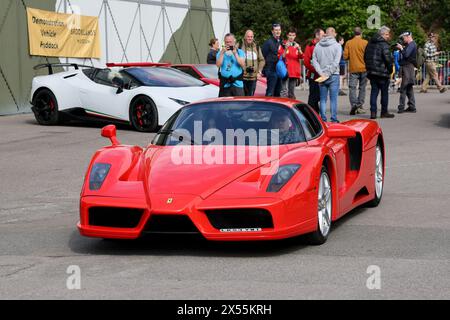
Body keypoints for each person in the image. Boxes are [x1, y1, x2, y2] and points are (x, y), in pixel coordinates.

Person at [364, 26, 395, 119]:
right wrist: (390, 70)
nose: (388, 36)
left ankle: (373, 113)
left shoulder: (370, 43)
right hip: (383, 72)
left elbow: (365, 57)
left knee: (374, 92)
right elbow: (388, 59)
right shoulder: (384, 44)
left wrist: (369, 68)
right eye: (386, 34)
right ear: (381, 34)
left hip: (372, 72)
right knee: (384, 93)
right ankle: (384, 112)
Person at [312, 27, 342, 123]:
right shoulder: (337, 46)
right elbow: (336, 62)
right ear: (333, 33)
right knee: (333, 99)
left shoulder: (317, 45)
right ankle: (333, 118)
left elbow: (314, 61)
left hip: (322, 75)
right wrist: (328, 73)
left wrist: (321, 73)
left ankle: (323, 119)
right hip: (333, 74)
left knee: (323, 99)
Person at [344, 27, 368, 115]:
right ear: (361, 33)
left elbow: (345, 56)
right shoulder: (365, 42)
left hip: (353, 68)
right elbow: (368, 55)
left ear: (353, 33)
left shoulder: (349, 43)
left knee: (352, 87)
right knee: (362, 87)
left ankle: (354, 105)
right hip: (364, 68)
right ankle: (359, 105)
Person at [304, 29, 324, 112]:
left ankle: (315, 114)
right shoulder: (310, 46)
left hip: (322, 76)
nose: (324, 37)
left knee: (319, 96)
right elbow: (306, 62)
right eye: (322, 35)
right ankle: (310, 113)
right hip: (313, 75)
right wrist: (316, 70)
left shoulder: (323, 45)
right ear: (317, 35)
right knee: (313, 96)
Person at [239, 30, 265, 96]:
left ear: (253, 37)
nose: (250, 38)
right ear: (245, 37)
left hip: (253, 77)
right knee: (241, 98)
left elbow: (262, 60)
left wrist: (259, 71)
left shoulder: (256, 47)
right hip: (242, 77)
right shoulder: (240, 46)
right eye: (248, 36)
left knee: (250, 98)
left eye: (251, 37)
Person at [397, 31, 417, 113]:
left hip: (407, 68)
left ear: (408, 36)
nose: (403, 39)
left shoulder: (412, 44)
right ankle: (412, 107)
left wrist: (401, 48)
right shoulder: (410, 45)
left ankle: (401, 108)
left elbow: (406, 55)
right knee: (409, 88)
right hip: (408, 68)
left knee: (404, 88)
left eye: (403, 37)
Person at [262, 23, 283, 97]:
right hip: (271, 70)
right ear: (272, 31)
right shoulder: (268, 43)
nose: (278, 32)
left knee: (278, 93)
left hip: (279, 70)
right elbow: (263, 55)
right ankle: (267, 107)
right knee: (270, 92)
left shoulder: (281, 42)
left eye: (279, 30)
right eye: (276, 30)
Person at [282, 28, 303, 99]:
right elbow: (282, 57)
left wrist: (299, 49)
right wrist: (285, 48)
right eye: (290, 35)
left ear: (295, 36)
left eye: (293, 35)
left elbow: (302, 57)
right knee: (284, 92)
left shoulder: (297, 45)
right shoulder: (283, 44)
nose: (291, 37)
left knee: (291, 93)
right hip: (285, 71)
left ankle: (290, 107)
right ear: (287, 35)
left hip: (294, 72)